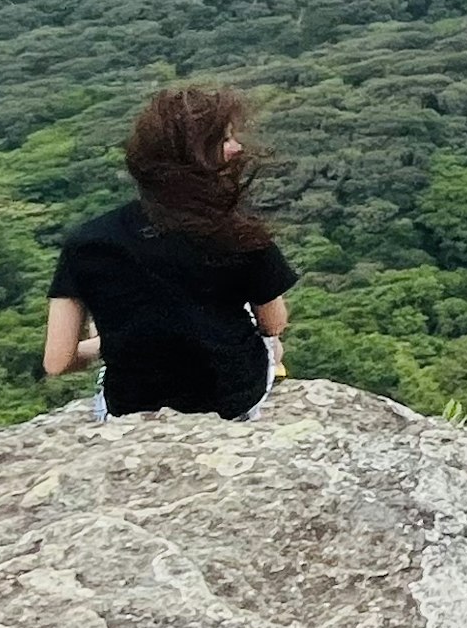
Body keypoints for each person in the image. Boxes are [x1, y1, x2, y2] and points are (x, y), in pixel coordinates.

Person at [43, 84, 296, 419]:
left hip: (132, 410)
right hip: (229, 401)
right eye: (224, 140)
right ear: (195, 156)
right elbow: (274, 324)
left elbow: (57, 361)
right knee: (271, 343)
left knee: (122, 312)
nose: (237, 148)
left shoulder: (87, 241)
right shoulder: (237, 231)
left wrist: (115, 342)